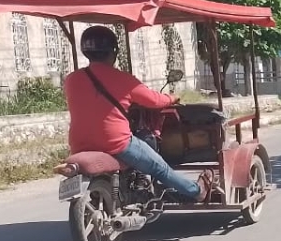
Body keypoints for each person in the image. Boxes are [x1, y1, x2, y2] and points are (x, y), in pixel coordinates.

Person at [63, 25, 204, 200]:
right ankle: (195, 191)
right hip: (115, 142)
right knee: (159, 168)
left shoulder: (71, 79)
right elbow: (154, 100)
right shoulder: (123, 79)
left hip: (79, 143)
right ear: (113, 52)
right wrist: (172, 98)